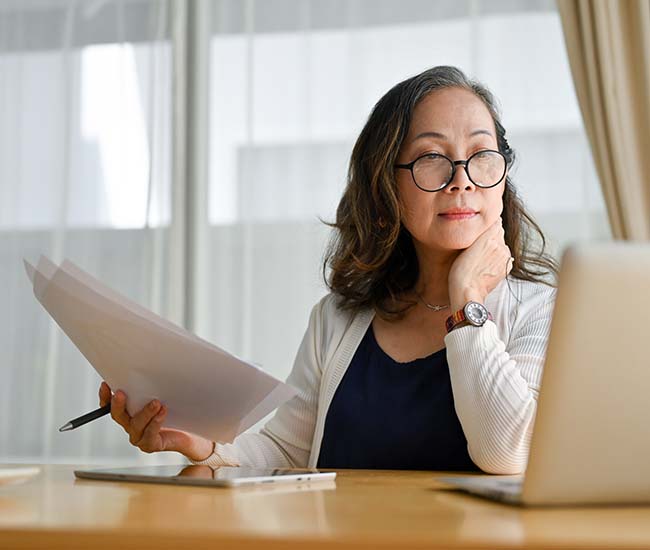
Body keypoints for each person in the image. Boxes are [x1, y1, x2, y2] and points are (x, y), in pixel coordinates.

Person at [99, 65, 558, 475]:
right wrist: (205, 447)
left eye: (481, 154)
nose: (462, 178)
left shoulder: (541, 310)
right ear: (387, 186)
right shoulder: (336, 319)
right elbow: (285, 450)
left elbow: (507, 454)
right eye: (431, 158)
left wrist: (467, 302)